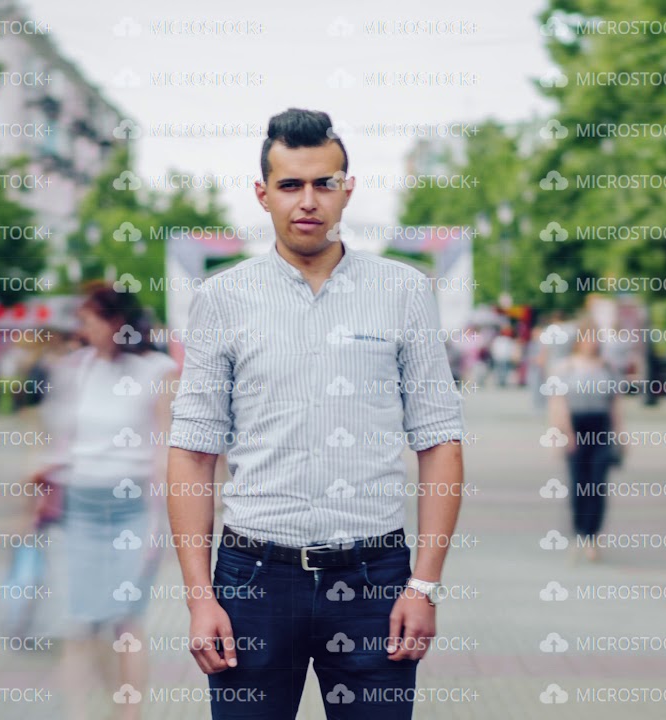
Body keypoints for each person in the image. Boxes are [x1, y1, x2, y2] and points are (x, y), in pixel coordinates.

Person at [167, 108, 465, 719]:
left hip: (373, 581)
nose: (309, 201)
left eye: (324, 183)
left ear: (347, 188)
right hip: (252, 581)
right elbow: (194, 453)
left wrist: (424, 584)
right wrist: (201, 596)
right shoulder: (222, 299)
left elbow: (439, 441)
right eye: (290, 184)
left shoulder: (403, 292)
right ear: (263, 193)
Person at [33, 282, 177, 720]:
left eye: (90, 319)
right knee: (78, 622)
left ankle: (128, 714)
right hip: (80, 507)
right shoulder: (74, 368)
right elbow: (59, 436)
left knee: (125, 620)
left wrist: (161, 521)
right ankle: (83, 712)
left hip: (133, 510)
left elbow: (165, 449)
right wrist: (43, 475)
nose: (82, 328)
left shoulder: (158, 371)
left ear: (118, 322)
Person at [547, 320, 622, 563]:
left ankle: (593, 535)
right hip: (575, 426)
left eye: (595, 337)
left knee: (598, 483)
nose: (592, 342)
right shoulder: (565, 367)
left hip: (600, 426)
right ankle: (579, 532)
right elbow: (557, 401)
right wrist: (564, 432)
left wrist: (620, 434)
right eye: (588, 337)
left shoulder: (607, 368)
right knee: (579, 483)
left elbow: (615, 403)